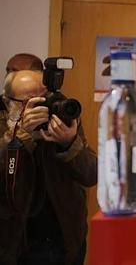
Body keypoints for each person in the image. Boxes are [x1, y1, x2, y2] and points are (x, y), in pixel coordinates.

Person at [0, 69, 97, 265]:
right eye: (30, 102)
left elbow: (91, 174)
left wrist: (70, 142)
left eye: (44, 99)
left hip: (65, 240)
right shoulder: (3, 125)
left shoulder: (63, 122)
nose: (41, 109)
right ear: (7, 101)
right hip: (15, 243)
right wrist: (20, 137)